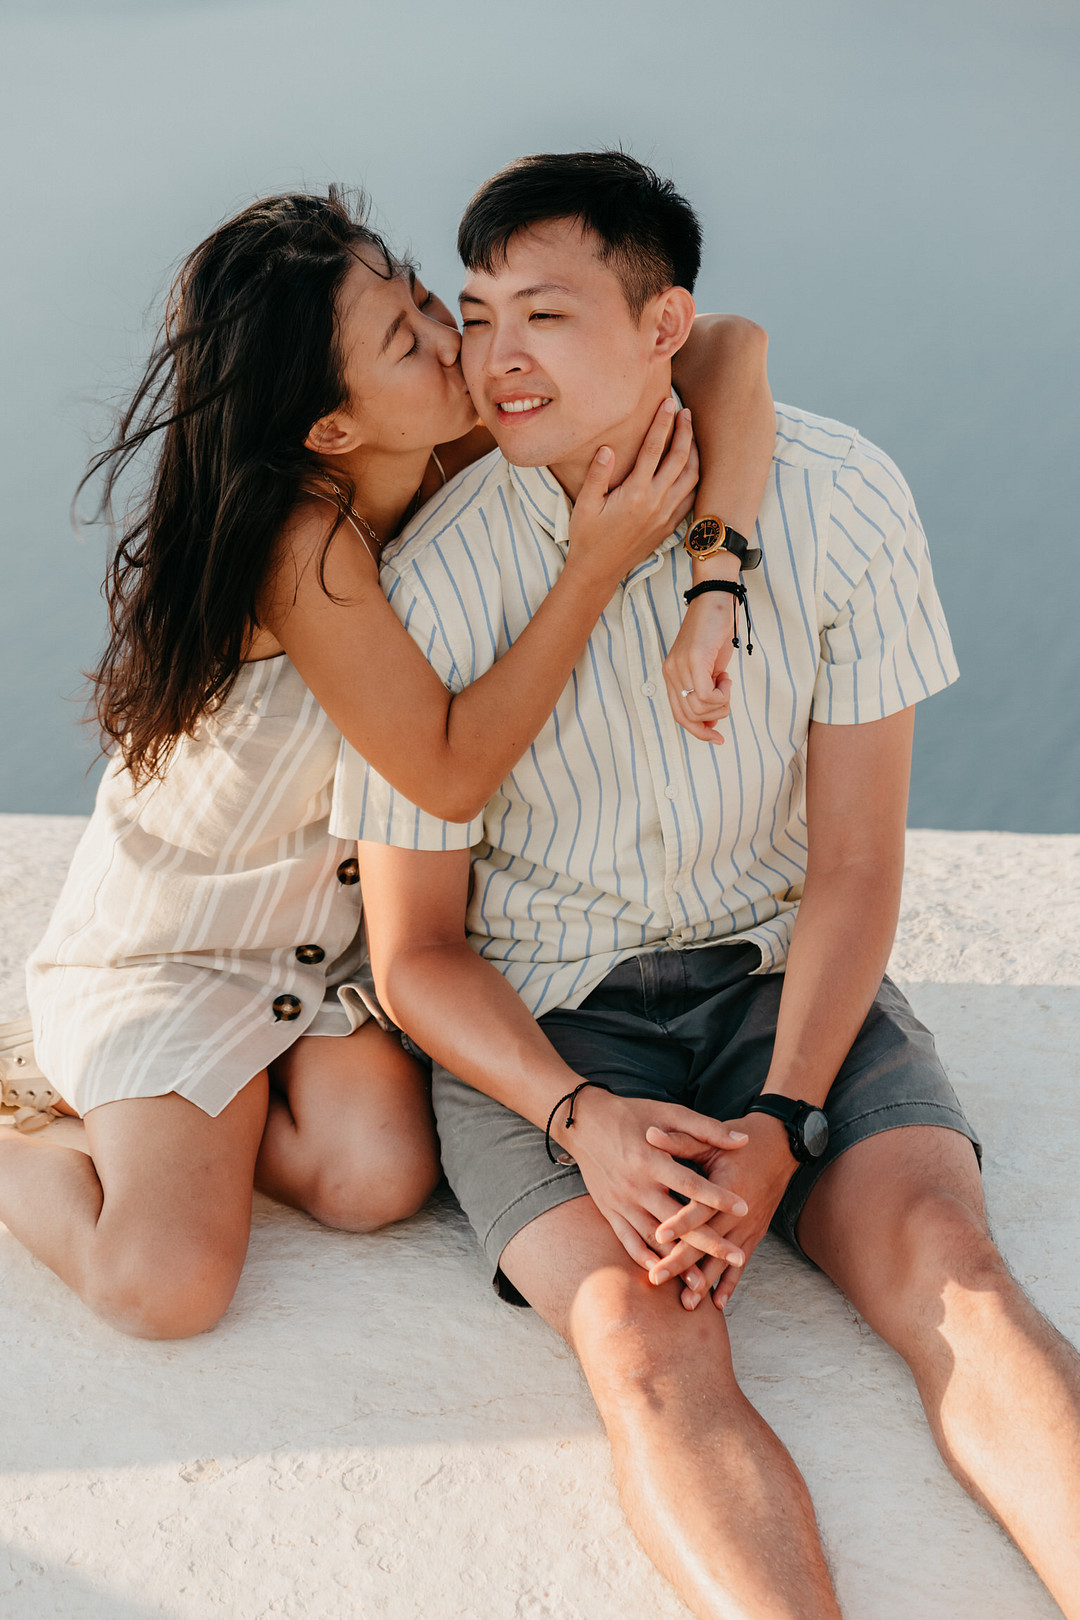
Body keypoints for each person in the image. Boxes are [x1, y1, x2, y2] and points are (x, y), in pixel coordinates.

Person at [347, 152, 1080, 1619]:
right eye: (479, 311)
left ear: (665, 323)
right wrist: (583, 1119)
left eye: (546, 315)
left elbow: (861, 865)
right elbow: (415, 952)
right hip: (546, 1021)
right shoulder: (434, 576)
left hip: (777, 981)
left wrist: (787, 1115)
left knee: (954, 1270)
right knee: (641, 1338)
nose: (497, 357)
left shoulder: (837, 501)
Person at [0, 188, 776, 1341]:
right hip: (180, 950)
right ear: (330, 429)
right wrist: (593, 569)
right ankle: (39, 1132)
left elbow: (727, 348)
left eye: (422, 296)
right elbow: (449, 776)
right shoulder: (299, 540)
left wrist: (715, 581)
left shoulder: (446, 432)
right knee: (160, 1287)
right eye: (406, 339)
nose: (455, 339)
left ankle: (164, 1116)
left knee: (377, 1181)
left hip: (328, 947)